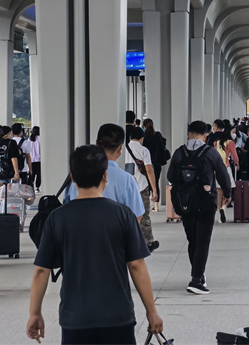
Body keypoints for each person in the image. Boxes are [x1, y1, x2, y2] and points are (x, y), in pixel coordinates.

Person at [26, 145, 163, 344]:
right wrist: (152, 311)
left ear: (72, 178)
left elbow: (42, 270)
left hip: (75, 319)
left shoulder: (57, 218)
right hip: (117, 317)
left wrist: (34, 313)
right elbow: (136, 265)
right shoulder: (123, 214)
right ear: (105, 176)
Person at [167, 121, 231, 294]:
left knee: (193, 240)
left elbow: (171, 176)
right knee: (203, 241)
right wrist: (227, 193)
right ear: (205, 135)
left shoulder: (179, 152)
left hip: (185, 203)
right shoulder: (211, 152)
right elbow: (223, 175)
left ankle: (198, 274)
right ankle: (196, 280)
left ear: (188, 133)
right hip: (206, 203)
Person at [64, 124, 144, 223]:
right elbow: (136, 217)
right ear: (120, 148)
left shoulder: (79, 173)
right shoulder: (128, 180)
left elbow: (67, 206)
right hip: (114, 231)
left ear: (97, 143)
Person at [125, 127, 159, 253]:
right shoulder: (143, 150)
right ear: (142, 138)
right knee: (144, 215)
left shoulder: (123, 149)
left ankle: (130, 242)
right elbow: (149, 170)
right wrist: (154, 190)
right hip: (141, 186)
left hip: (127, 188)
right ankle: (148, 242)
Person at [142, 118, 169, 213]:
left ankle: (146, 204)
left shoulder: (144, 137)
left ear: (144, 126)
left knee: (147, 183)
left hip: (147, 163)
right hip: (157, 163)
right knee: (155, 182)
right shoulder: (157, 135)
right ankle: (156, 206)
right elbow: (163, 144)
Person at [214, 130, 238, 223]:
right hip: (226, 169)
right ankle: (224, 208)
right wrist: (237, 164)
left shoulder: (216, 143)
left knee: (219, 193)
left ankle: (220, 216)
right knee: (228, 192)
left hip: (217, 169)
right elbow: (235, 156)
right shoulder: (230, 143)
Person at [28, 126, 42, 193]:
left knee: (32, 174)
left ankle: (30, 187)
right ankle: (37, 187)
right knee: (39, 174)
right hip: (39, 159)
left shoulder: (29, 139)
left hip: (32, 159)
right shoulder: (40, 138)